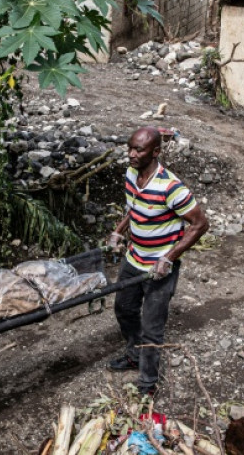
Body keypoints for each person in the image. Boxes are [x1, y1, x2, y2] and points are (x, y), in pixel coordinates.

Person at [105, 127, 209, 395]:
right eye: (130, 148)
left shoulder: (171, 187)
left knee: (152, 328)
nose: (131, 154)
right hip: (134, 258)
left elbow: (200, 224)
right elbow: (134, 208)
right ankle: (133, 355)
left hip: (159, 268)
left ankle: (148, 384)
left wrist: (168, 257)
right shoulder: (131, 174)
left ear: (156, 152)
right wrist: (119, 230)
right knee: (125, 310)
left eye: (138, 150)